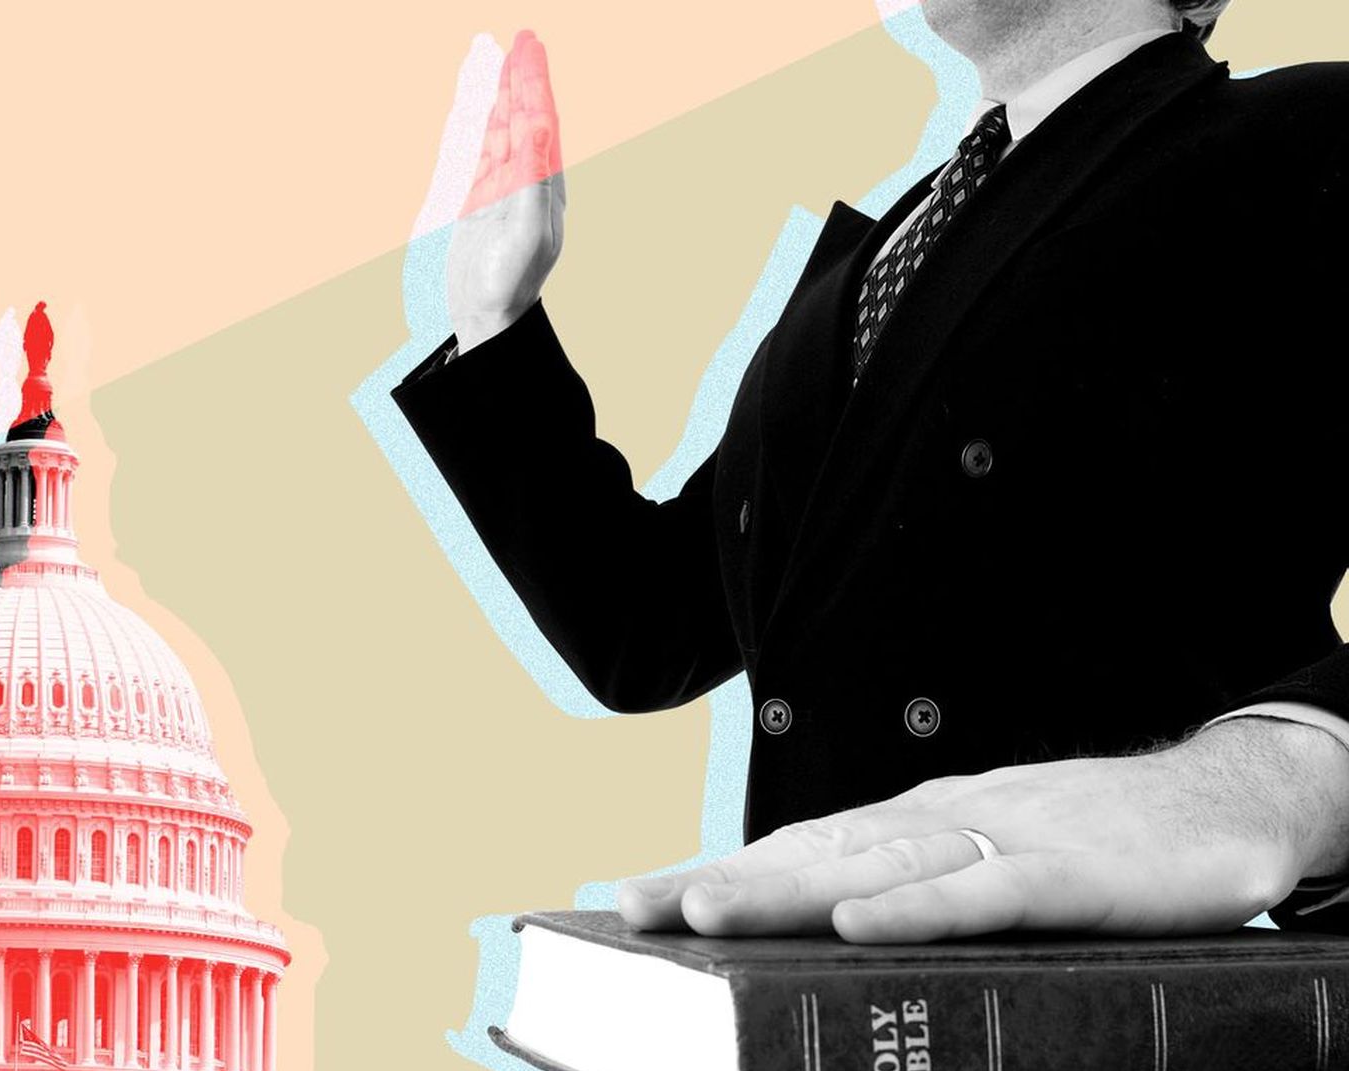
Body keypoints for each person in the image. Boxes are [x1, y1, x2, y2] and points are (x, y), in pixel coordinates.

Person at [388, 1, 1349, 942]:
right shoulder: (893, 241)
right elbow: (649, 630)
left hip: (1107, 984)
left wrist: (1283, 779)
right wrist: (494, 323)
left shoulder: (1306, 137)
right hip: (817, 967)